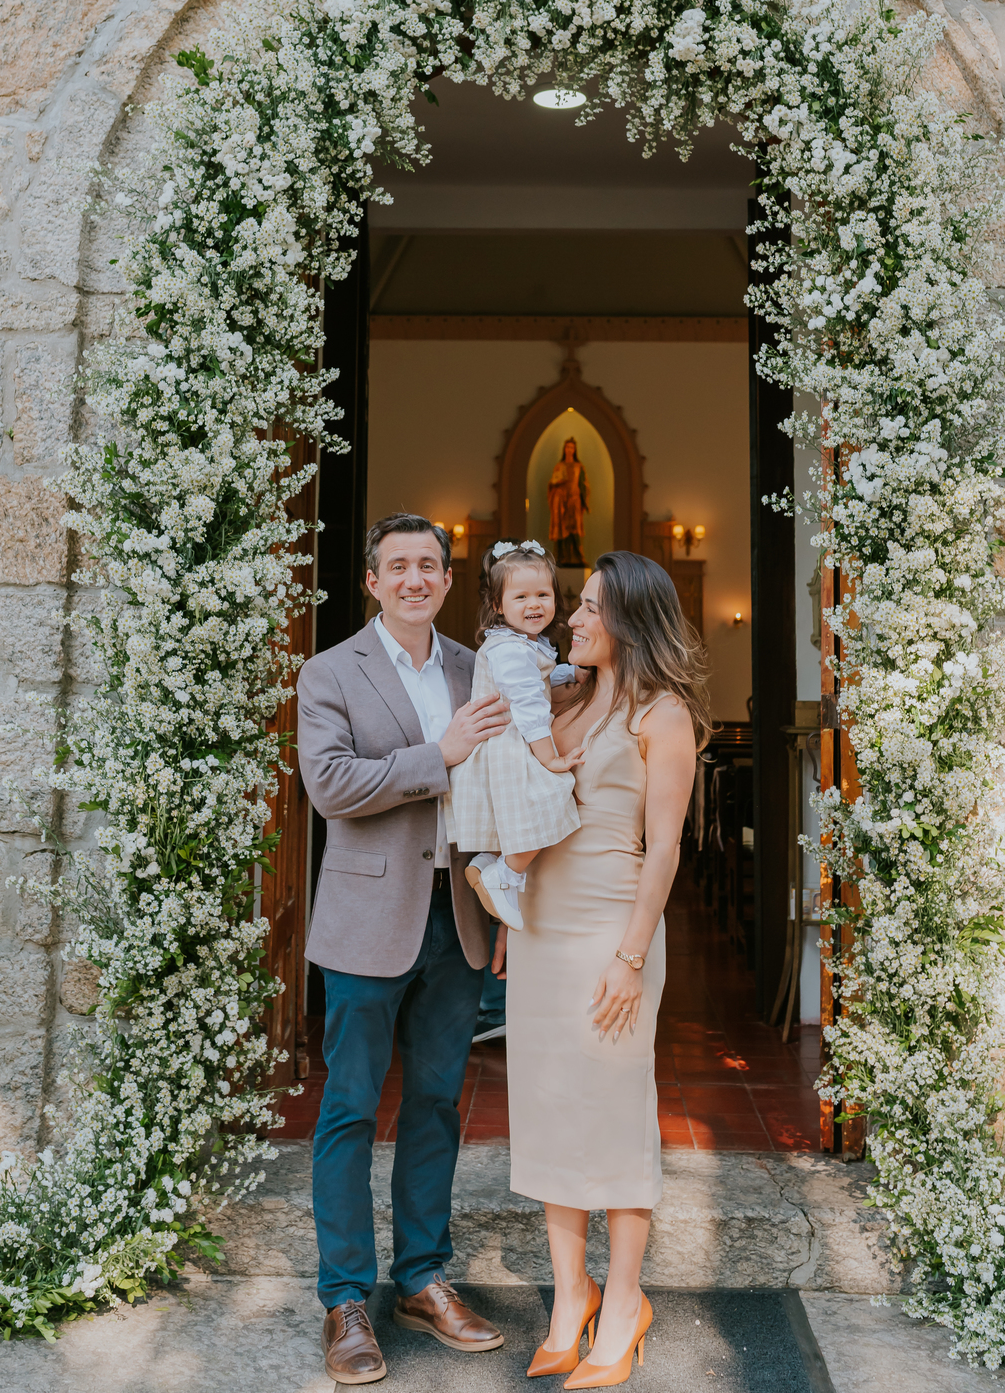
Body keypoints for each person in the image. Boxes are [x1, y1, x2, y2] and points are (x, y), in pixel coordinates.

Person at [296, 513, 513, 1386]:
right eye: (399, 566)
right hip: (365, 921)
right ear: (373, 582)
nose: (415, 578)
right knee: (349, 1108)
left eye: (430, 564)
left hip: (457, 920)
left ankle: (423, 1279)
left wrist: (504, 909)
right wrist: (438, 754)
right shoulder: (328, 671)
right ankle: (345, 1298)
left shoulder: (476, 667)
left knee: (434, 1104)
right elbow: (330, 786)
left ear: (449, 580)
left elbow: (503, 787)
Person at [503, 551, 709, 1388]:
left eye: (590, 606)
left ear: (629, 618)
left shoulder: (664, 714)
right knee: (547, 1108)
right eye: (577, 604)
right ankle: (569, 1299)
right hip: (543, 929)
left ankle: (624, 1303)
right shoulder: (568, 702)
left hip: (610, 931)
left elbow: (665, 850)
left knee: (617, 1113)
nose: (573, 618)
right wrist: (512, 915)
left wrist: (631, 958)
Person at [448, 539, 584, 932]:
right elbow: (529, 704)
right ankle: (504, 873)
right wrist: (549, 758)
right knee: (554, 798)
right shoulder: (509, 649)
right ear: (497, 604)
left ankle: (491, 864)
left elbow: (538, 679)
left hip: (511, 743)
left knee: (527, 814)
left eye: (543, 594)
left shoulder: (523, 643)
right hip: (510, 745)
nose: (534, 604)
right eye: (520, 596)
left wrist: (571, 673)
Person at [547, 437, 589, 567]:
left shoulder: (578, 467)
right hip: (560, 500)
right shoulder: (559, 466)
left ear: (575, 450)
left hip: (574, 499)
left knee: (574, 529)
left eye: (571, 447)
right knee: (561, 529)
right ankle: (561, 557)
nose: (569, 450)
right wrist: (556, 485)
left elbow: (583, 484)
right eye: (567, 447)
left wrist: (584, 500)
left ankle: (578, 557)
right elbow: (552, 483)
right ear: (564, 449)